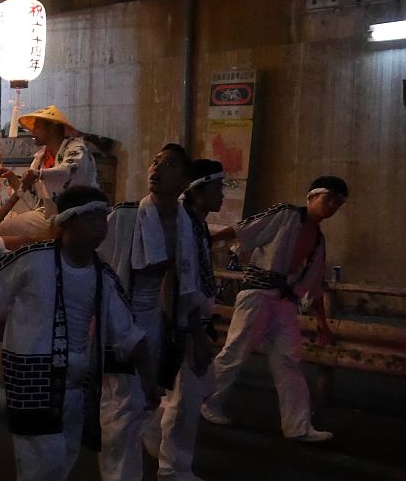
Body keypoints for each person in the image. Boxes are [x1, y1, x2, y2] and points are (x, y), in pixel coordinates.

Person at [0, 186, 157, 481]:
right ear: (67, 222)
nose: (100, 227)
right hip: (31, 378)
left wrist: (149, 382)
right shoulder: (33, 258)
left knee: (63, 457)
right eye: (91, 218)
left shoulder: (103, 275)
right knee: (42, 463)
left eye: (102, 218)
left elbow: (131, 334)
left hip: (74, 382)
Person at [201, 176, 346, 443]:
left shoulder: (318, 241)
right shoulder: (286, 214)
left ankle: (298, 425)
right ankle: (208, 401)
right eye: (330, 198)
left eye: (338, 202)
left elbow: (314, 285)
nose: (333, 206)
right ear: (312, 196)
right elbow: (247, 228)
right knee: (235, 352)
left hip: (285, 301)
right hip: (258, 294)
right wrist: (208, 239)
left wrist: (322, 323)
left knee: (289, 361)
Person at [97, 143, 210, 481]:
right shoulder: (126, 216)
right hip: (120, 317)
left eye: (169, 164)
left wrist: (196, 333)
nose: (156, 168)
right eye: (155, 161)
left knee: (146, 400)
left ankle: (167, 460)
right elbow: (96, 266)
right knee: (123, 407)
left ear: (185, 181)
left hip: (156, 320)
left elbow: (186, 285)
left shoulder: (187, 224)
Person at [145, 159, 224, 481]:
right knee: (185, 398)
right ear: (197, 191)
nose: (222, 194)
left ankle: (151, 432)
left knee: (196, 388)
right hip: (181, 318)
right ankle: (173, 468)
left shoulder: (196, 224)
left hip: (191, 316)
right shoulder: (183, 225)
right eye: (217, 187)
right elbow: (177, 281)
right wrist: (192, 330)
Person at [0, 105, 99, 238]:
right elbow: (35, 202)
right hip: (52, 218)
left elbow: (67, 170)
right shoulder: (40, 159)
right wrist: (13, 179)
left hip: (81, 216)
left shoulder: (76, 149)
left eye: (37, 127)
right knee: (3, 229)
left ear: (52, 128)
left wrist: (39, 174)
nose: (32, 132)